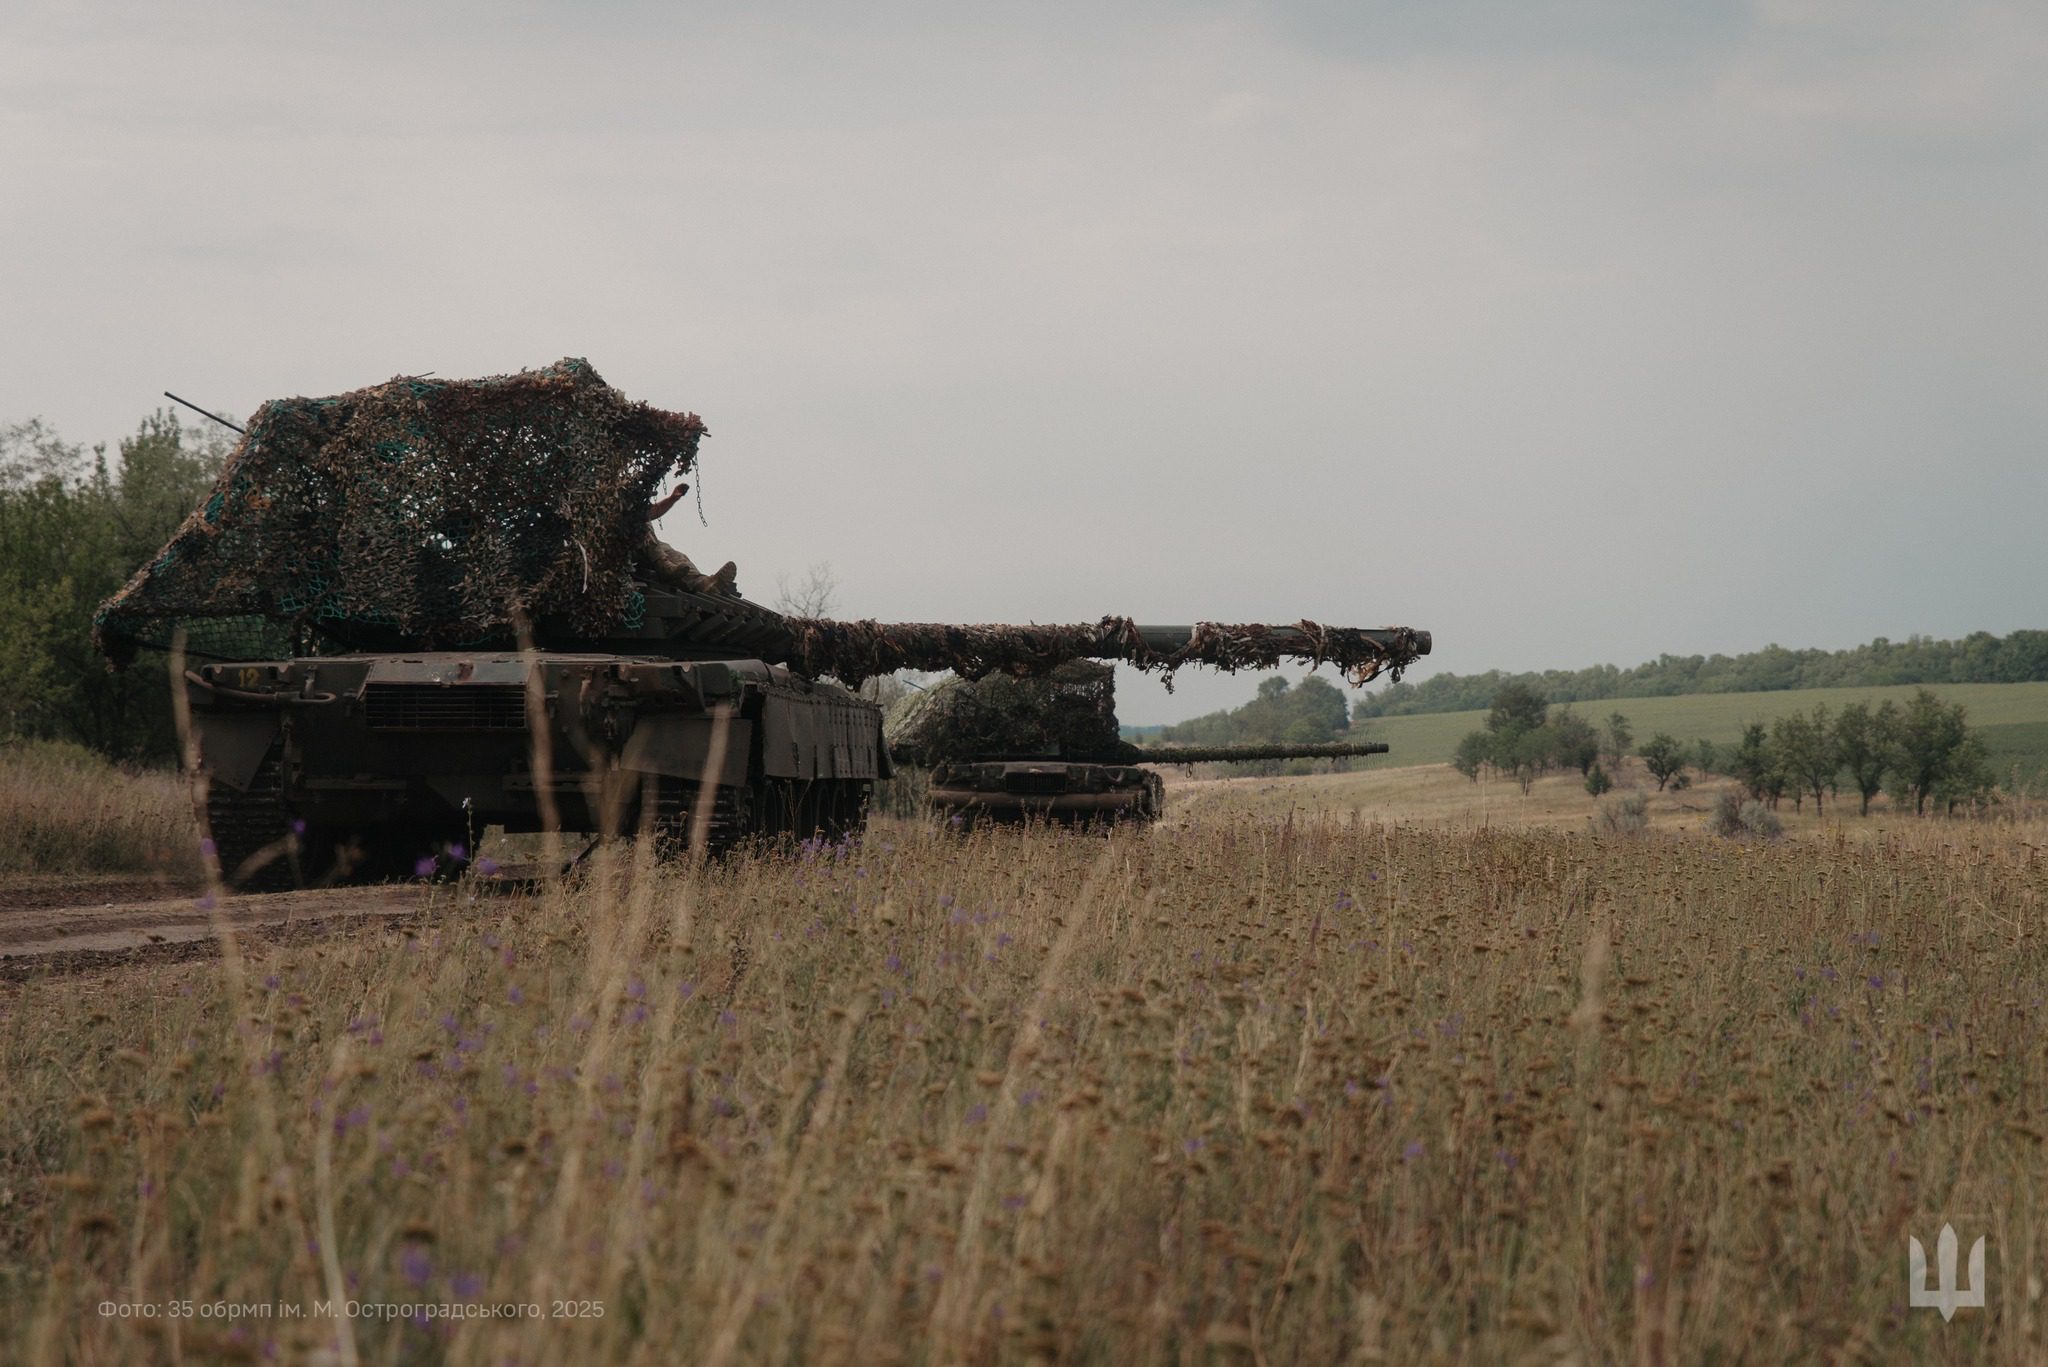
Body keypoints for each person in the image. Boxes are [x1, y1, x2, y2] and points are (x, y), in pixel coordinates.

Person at [637, 483, 738, 596]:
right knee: (640, 521)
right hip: (625, 547)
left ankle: (704, 584)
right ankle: (664, 566)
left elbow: (651, 512)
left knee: (675, 555)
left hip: (646, 546)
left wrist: (671, 499)